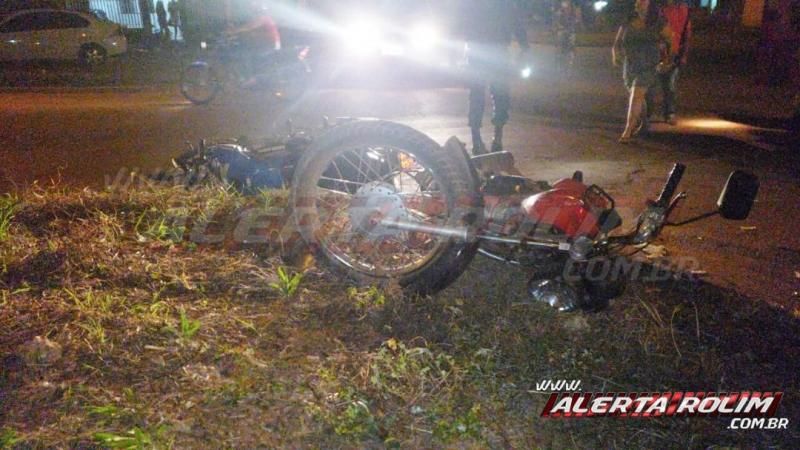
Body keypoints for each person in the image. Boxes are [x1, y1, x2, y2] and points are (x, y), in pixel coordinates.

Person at [461, 0, 530, 154]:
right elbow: (515, 19)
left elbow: (463, 19)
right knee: (497, 94)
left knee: (483, 94)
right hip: (493, 50)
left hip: (482, 50)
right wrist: (524, 45)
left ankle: (481, 139)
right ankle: (493, 138)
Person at [612, 0, 673, 143]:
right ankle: (644, 123)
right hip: (630, 65)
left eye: (642, 0)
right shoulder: (629, 18)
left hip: (649, 65)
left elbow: (670, 38)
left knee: (636, 95)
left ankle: (628, 130)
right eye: (637, 0)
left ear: (650, 3)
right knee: (639, 97)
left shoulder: (657, 21)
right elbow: (618, 40)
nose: (638, 2)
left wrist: (667, 60)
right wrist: (615, 52)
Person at [645, 0, 690, 126]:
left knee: (670, 87)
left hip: (674, 53)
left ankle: (669, 113)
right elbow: (648, 26)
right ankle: (647, 113)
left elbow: (686, 32)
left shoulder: (682, 8)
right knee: (650, 85)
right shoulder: (655, 7)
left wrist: (683, 55)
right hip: (655, 53)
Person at [552, 0, 582, 74]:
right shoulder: (559, 7)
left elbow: (578, 17)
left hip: (570, 29)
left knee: (571, 47)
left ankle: (570, 64)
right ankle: (559, 63)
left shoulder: (574, 6)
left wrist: (578, 22)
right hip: (562, 29)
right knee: (560, 46)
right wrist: (555, 26)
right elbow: (556, 18)